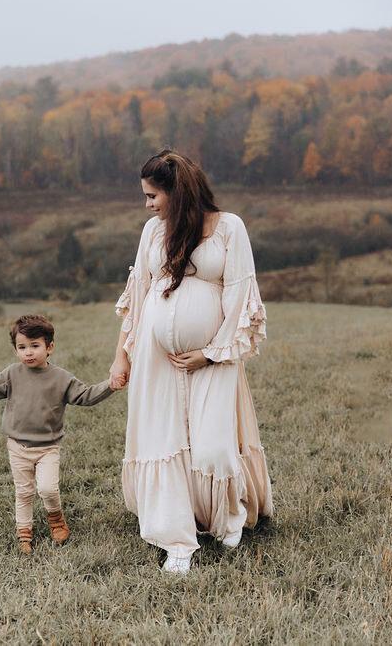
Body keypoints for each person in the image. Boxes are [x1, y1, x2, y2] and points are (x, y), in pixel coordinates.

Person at [109, 149, 274, 574]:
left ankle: (226, 517)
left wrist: (211, 352)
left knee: (214, 442)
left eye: (152, 196)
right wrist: (122, 354)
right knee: (164, 441)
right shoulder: (153, 232)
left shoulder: (228, 228)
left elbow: (240, 295)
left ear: (177, 192)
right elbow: (138, 295)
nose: (147, 205)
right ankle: (175, 534)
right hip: (156, 358)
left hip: (213, 357)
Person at [0, 314, 115, 553]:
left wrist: (110, 385)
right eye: (22, 347)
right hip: (17, 447)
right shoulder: (12, 374)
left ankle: (56, 518)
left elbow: (86, 395)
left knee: (48, 489)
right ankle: (24, 532)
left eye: (35, 346)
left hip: (48, 448)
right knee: (24, 492)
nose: (28, 352)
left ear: (49, 347)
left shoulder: (61, 378)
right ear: (16, 350)